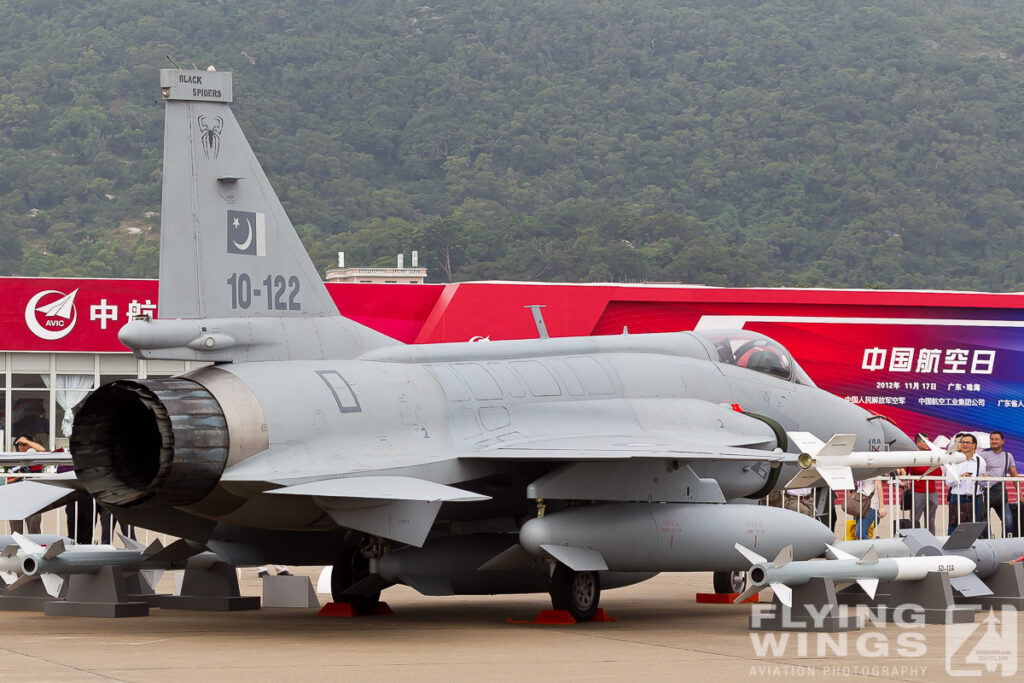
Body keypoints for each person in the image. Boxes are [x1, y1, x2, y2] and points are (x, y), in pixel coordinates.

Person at [978, 431, 1019, 537]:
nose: (994, 441)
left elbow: (1014, 474)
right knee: (985, 524)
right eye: (992, 439)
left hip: (1000, 494)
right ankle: (988, 544)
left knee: (1009, 521)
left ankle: (1006, 543)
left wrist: (1020, 494)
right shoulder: (983, 454)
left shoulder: (1007, 455)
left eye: (996, 439)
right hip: (984, 494)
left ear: (1002, 441)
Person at [945, 433, 984, 535]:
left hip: (975, 498)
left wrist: (984, 479)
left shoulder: (980, 460)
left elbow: (981, 483)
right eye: (962, 442)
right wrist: (960, 478)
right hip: (957, 497)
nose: (964, 444)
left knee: (973, 529)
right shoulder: (953, 459)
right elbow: (948, 482)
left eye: (967, 442)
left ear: (974, 445)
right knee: (954, 528)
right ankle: (951, 550)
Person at [904, 433, 940, 534]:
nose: (928, 443)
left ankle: (932, 542)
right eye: (925, 441)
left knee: (931, 521)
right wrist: (930, 468)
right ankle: (914, 541)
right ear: (918, 443)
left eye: (929, 441)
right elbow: (916, 469)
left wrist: (927, 470)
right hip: (917, 492)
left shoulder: (932, 454)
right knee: (915, 520)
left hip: (932, 492)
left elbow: (939, 472)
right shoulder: (913, 455)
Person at [10, 435, 45, 534]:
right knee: (16, 533)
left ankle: (34, 550)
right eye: (20, 445)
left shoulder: (36, 460)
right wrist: (17, 478)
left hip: (33, 499)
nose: (21, 447)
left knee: (34, 531)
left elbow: (42, 450)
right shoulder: (13, 460)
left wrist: (27, 441)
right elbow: (5, 481)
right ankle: (17, 550)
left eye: (24, 444)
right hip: (15, 499)